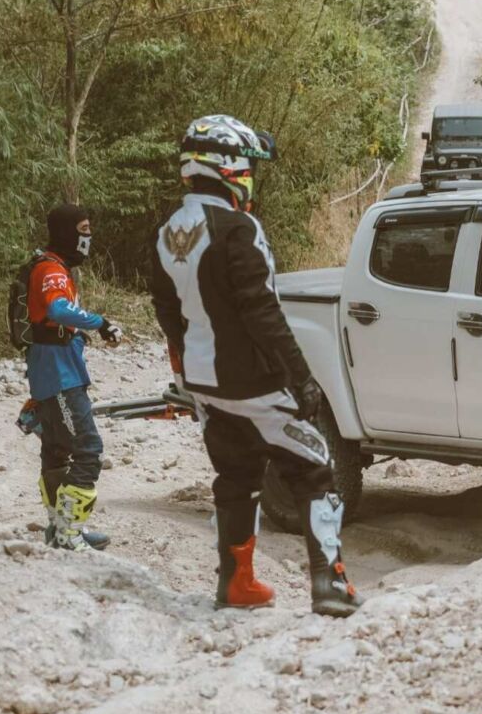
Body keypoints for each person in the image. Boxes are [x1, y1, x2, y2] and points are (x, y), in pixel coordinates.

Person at [149, 114, 361, 617]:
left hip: (204, 379)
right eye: (247, 167)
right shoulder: (238, 228)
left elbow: (165, 310)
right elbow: (263, 312)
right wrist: (302, 379)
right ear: (226, 167)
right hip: (253, 380)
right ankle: (330, 584)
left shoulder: (168, 231)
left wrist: (189, 363)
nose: (250, 177)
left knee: (236, 475)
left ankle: (236, 582)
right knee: (315, 468)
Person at [22, 203, 124, 552]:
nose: (88, 237)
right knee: (88, 449)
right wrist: (101, 323)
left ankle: (59, 528)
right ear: (66, 232)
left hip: (50, 370)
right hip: (59, 375)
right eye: (83, 230)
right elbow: (58, 308)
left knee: (56, 451)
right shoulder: (52, 270)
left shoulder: (48, 265)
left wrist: (79, 333)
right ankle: (68, 534)